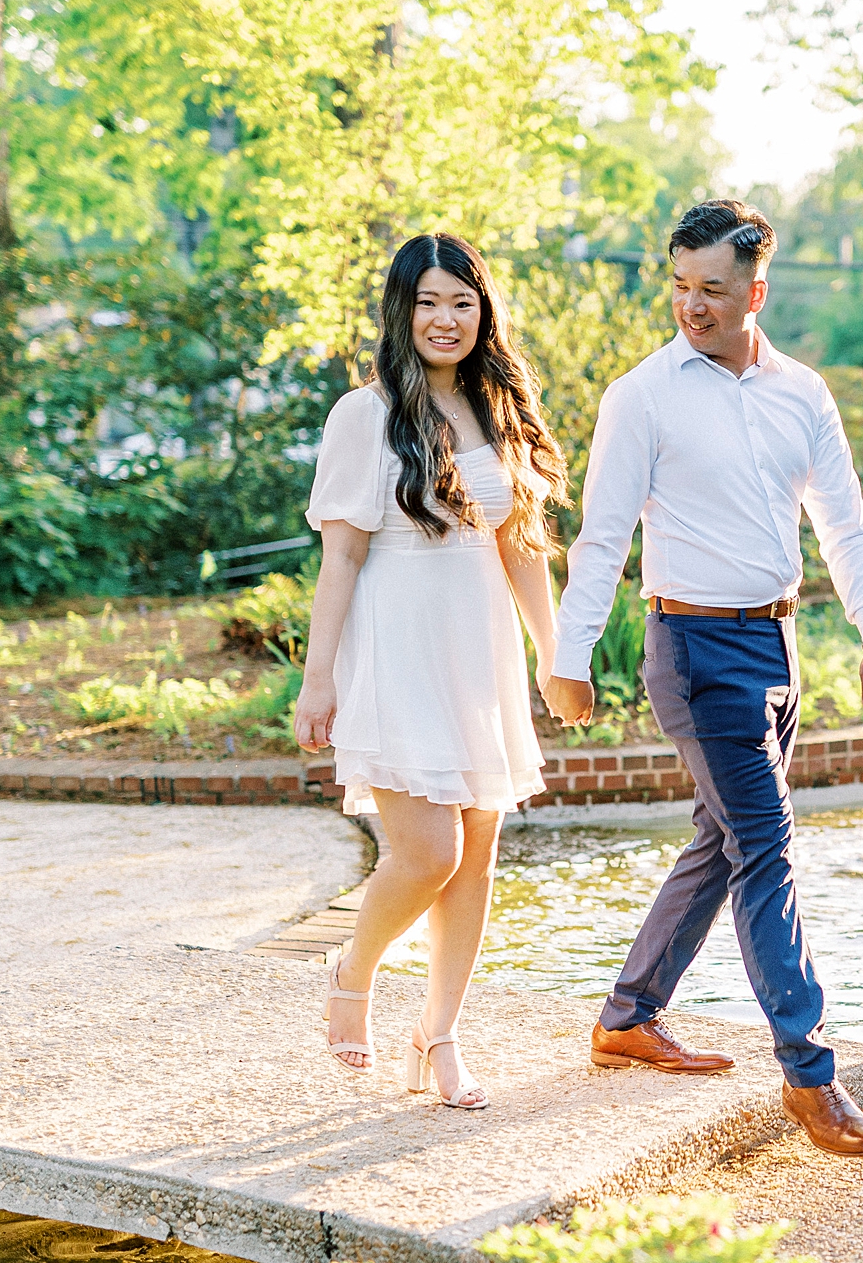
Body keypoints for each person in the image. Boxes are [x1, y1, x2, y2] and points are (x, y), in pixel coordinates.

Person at [544, 200, 863, 1157]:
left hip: (777, 649)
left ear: (756, 291)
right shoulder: (643, 395)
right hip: (695, 652)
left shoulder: (803, 393)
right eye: (679, 285)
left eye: (711, 289)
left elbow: (843, 519)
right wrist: (569, 659)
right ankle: (808, 1071)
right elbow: (602, 536)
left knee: (723, 840)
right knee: (767, 849)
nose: (691, 305)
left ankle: (628, 1014)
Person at [295, 233, 569, 1109]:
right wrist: (318, 678)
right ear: (400, 311)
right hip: (397, 651)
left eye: (461, 301)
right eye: (427, 302)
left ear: (482, 310)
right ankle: (354, 966)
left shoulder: (499, 414)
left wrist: (556, 655)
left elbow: (522, 548)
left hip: (478, 656)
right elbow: (340, 560)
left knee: (477, 857)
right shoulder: (363, 415)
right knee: (427, 852)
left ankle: (438, 1034)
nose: (444, 319)